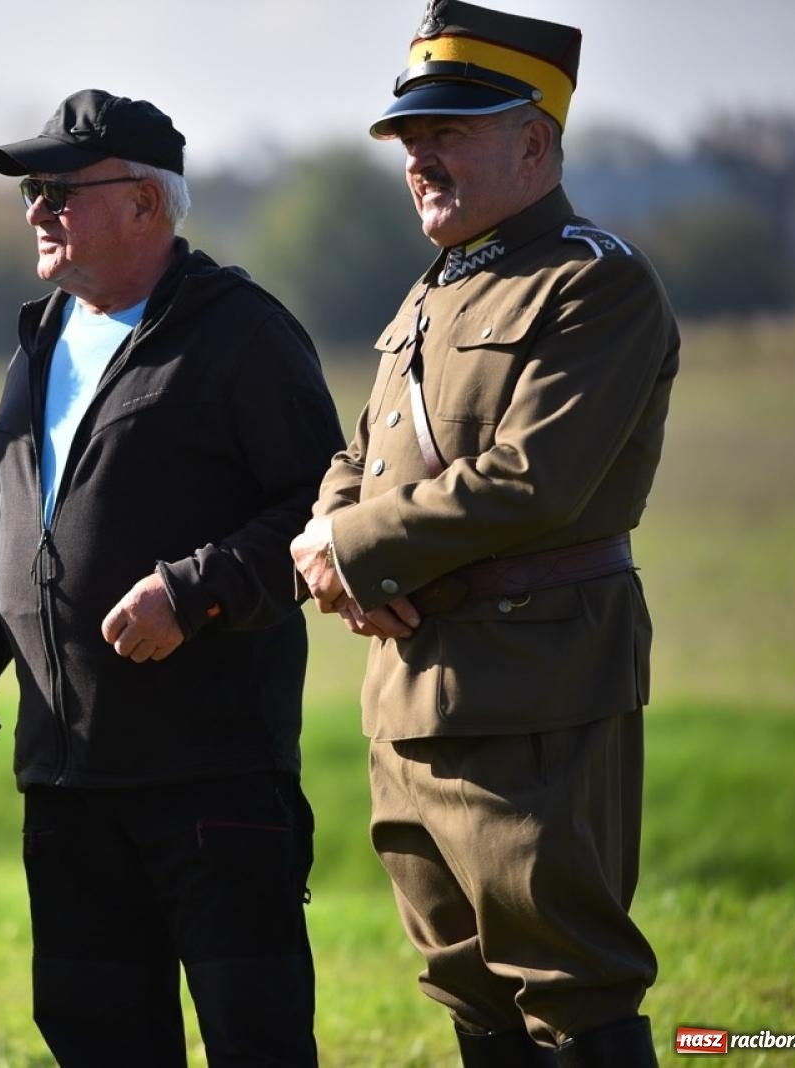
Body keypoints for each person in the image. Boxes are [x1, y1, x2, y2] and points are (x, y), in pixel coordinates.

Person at [290, 4, 678, 1065]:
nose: (419, 156)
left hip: (534, 683)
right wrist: (326, 537)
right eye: (410, 137)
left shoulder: (595, 282)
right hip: (410, 688)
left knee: (568, 984)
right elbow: (363, 455)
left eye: (448, 132)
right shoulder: (435, 288)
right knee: (466, 988)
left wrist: (354, 551)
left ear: (534, 144)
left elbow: (531, 482)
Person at [0, 89, 345, 1065]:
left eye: (59, 192)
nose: (37, 211)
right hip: (66, 782)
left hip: (212, 780)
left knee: (257, 1042)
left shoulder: (242, 333)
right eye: (31, 193)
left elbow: (321, 509)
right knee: (97, 1040)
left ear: (145, 203)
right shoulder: (38, 342)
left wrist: (194, 593)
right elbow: (2, 521)